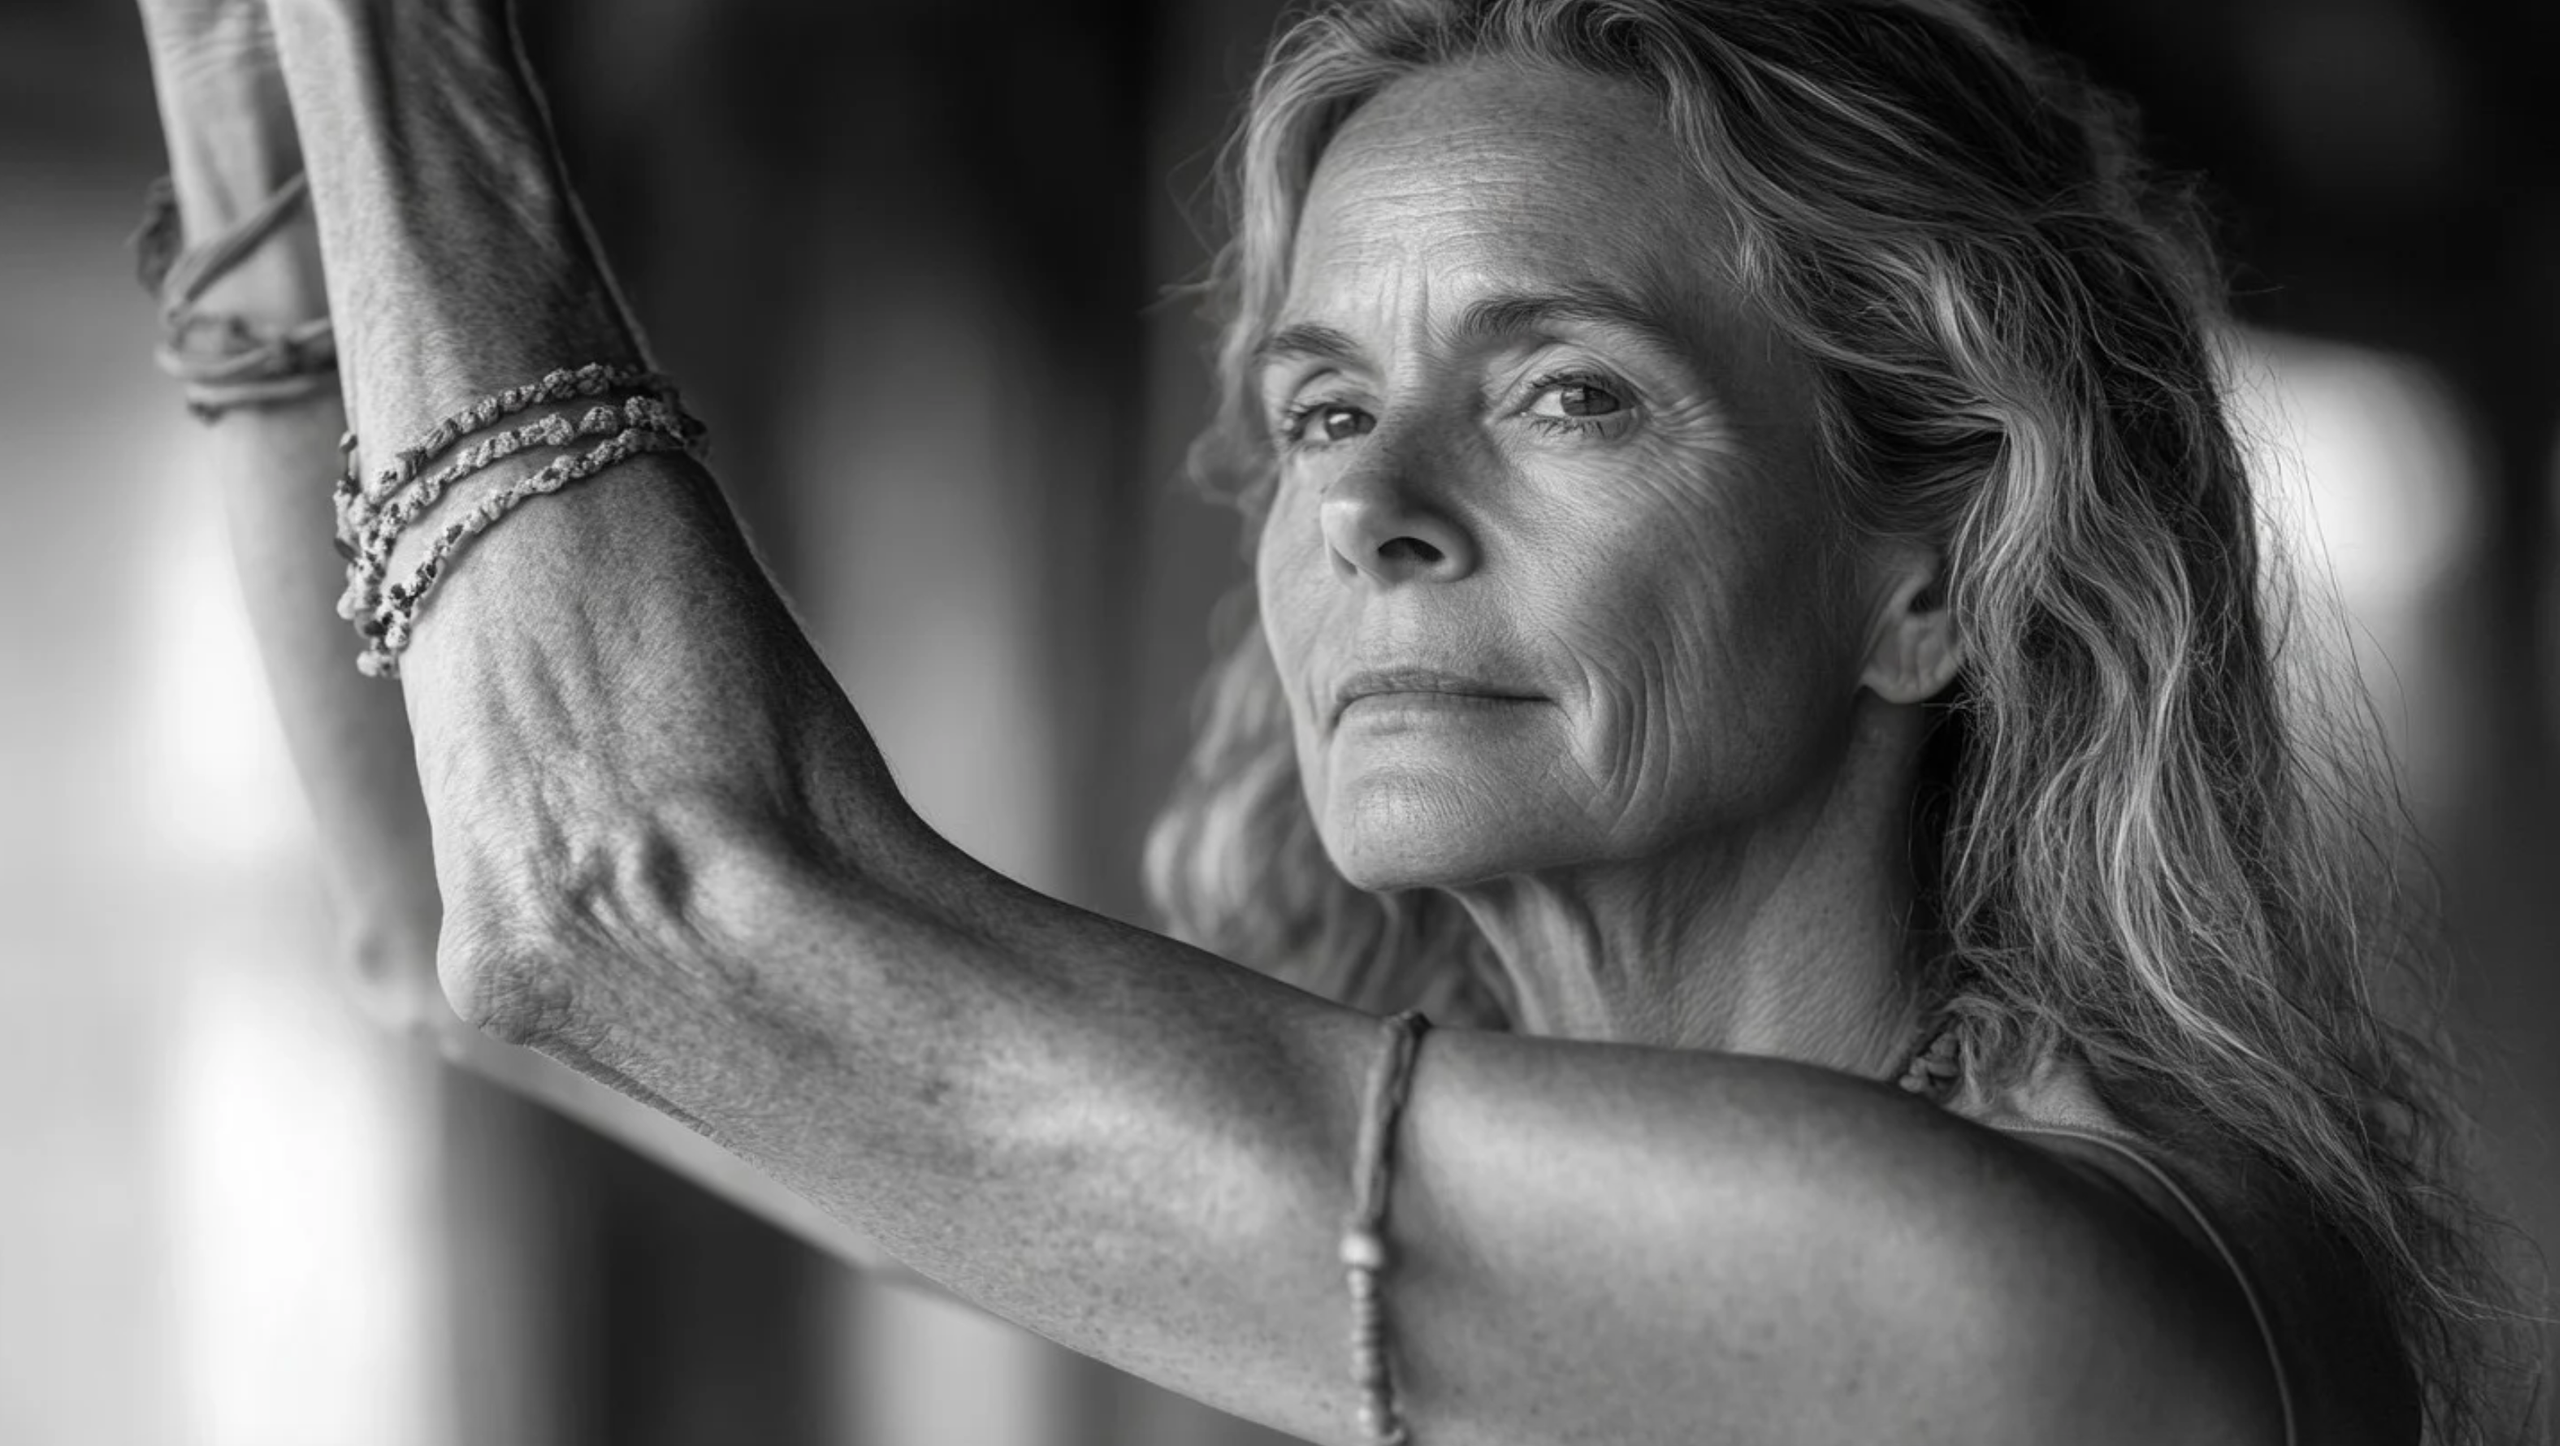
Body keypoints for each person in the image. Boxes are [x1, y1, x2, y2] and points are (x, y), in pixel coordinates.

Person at [134, 0, 2536, 1441]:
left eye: (1565, 391)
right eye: (1315, 412)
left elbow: (635, 888)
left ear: (1931, 567)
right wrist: (263, 119)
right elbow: (461, 927)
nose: (1371, 508)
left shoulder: (2016, 1296)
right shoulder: (1550, 1196)